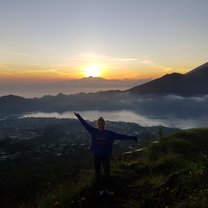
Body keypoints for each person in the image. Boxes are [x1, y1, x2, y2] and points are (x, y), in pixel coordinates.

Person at [74, 112, 137, 196]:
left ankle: (107, 189)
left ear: (104, 124)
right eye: (99, 123)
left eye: (102, 123)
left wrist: (132, 137)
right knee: (98, 173)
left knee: (107, 173)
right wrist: (78, 116)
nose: (100, 125)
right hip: (96, 156)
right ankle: (100, 189)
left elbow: (121, 136)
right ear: (97, 124)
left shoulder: (109, 133)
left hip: (105, 156)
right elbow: (85, 125)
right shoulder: (94, 131)